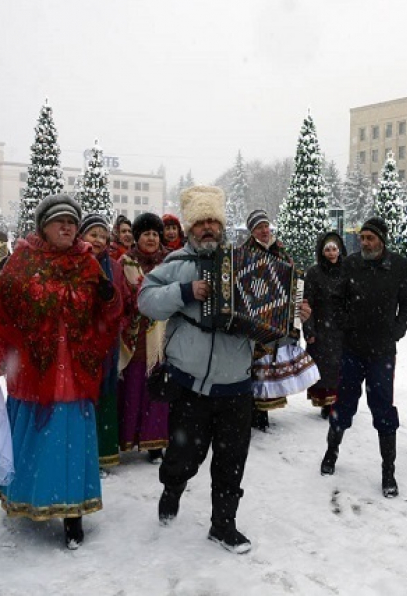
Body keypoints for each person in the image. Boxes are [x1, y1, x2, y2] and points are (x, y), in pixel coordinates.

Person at [0, 194, 122, 548]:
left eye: (72, 222)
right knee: (34, 438)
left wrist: (109, 297)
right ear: (43, 226)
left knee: (70, 441)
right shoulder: (23, 260)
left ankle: (73, 514)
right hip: (32, 368)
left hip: (75, 368)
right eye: (59, 221)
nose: (67, 227)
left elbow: (111, 315)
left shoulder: (88, 263)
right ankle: (26, 497)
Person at [138, 185, 256, 554]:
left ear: (221, 226)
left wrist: (290, 316)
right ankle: (172, 489)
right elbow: (146, 301)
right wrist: (185, 292)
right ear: (190, 227)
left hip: (236, 384)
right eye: (201, 222)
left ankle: (223, 525)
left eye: (213, 221)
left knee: (231, 462)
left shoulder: (246, 266)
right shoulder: (175, 265)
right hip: (190, 386)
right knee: (182, 457)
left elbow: (270, 312)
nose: (208, 228)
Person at [320, 217, 407, 498]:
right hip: (353, 349)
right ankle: (331, 452)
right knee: (344, 404)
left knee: (384, 409)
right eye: (362, 238)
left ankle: (388, 471)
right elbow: (336, 300)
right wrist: (343, 324)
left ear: (381, 240)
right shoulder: (350, 265)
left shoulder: (397, 265)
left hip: (382, 352)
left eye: (369, 238)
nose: (364, 243)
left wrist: (396, 331)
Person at [78, 214, 136, 474]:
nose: (99, 240)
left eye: (103, 236)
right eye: (93, 235)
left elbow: (122, 299)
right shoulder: (75, 262)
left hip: (107, 342)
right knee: (82, 397)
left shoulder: (114, 266)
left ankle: (103, 454)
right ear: (82, 236)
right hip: (79, 342)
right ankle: (82, 453)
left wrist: (117, 322)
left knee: (105, 395)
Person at [118, 213, 170, 462]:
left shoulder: (170, 262)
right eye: (146, 233)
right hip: (136, 337)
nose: (151, 238)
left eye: (155, 234)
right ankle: (130, 438)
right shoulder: (126, 262)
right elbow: (120, 297)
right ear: (137, 237)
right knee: (134, 388)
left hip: (163, 338)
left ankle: (155, 444)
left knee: (158, 391)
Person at [242, 209, 293, 431]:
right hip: (254, 315)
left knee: (269, 363)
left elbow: (292, 275)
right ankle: (253, 408)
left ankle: (264, 407)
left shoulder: (279, 249)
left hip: (276, 314)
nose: (264, 231)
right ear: (252, 231)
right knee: (254, 363)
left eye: (266, 226)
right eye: (259, 227)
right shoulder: (245, 252)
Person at [303, 231, 347, 418]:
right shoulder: (314, 273)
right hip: (321, 326)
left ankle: (340, 402)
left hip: (342, 327)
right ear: (322, 252)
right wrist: (309, 329)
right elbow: (307, 303)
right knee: (324, 368)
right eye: (327, 249)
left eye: (334, 249)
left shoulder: (347, 270)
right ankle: (326, 403)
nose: (331, 253)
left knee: (342, 368)